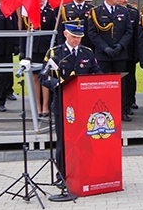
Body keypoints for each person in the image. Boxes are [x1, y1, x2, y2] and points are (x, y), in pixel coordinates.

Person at [39, 20, 102, 180]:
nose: (77, 40)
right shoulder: (55, 53)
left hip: (83, 104)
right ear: (66, 34)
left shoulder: (87, 53)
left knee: (85, 140)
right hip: (62, 103)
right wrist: (57, 84)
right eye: (74, 36)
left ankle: (85, 171)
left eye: (79, 37)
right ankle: (62, 174)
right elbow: (43, 76)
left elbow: (96, 72)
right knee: (64, 141)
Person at [85, 0, 134, 120]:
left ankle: (121, 110)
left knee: (120, 83)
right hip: (103, 54)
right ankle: (103, 109)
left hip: (119, 54)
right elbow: (92, 33)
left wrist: (120, 45)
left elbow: (129, 31)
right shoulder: (96, 12)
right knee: (103, 83)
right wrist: (104, 47)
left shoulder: (124, 11)